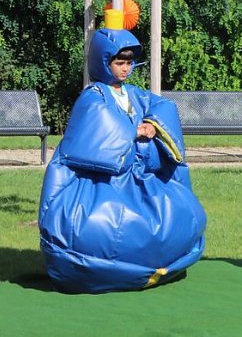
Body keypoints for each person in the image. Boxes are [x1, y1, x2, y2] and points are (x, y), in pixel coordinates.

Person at [38, 27, 207, 294]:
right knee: (95, 228)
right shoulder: (94, 94)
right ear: (103, 62)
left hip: (137, 175)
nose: (125, 68)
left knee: (181, 214)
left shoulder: (135, 94)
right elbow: (96, 122)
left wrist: (153, 124)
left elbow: (162, 106)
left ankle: (152, 264)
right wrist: (132, 130)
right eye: (119, 62)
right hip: (101, 179)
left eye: (129, 63)